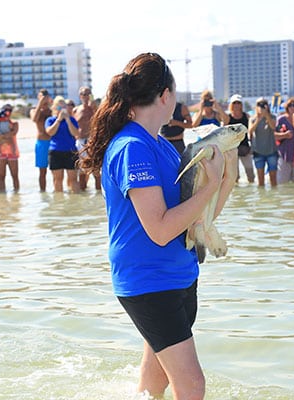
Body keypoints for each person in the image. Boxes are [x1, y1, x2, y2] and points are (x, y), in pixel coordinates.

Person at [79, 52, 234, 400]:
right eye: (175, 95)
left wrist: (223, 179)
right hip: (148, 281)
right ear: (165, 96)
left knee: (156, 381)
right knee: (192, 385)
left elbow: (196, 219)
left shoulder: (163, 146)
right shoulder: (132, 147)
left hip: (180, 275)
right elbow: (161, 229)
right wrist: (208, 187)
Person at [45, 96, 80, 193]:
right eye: (59, 108)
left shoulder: (72, 120)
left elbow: (75, 133)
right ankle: (59, 204)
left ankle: (76, 203)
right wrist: (59, 120)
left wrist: (68, 120)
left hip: (70, 151)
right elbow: (50, 132)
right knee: (57, 179)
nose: (62, 110)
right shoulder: (50, 120)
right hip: (56, 151)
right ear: (55, 108)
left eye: (63, 107)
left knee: (73, 179)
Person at [73, 86, 100, 191]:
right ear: (80, 96)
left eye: (88, 94)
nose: (86, 96)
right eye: (84, 94)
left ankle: (99, 192)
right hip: (80, 141)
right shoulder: (76, 110)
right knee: (82, 169)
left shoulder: (94, 109)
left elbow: (99, 119)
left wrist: (94, 108)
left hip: (91, 140)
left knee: (96, 169)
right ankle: (83, 191)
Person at [249, 97, 278, 186]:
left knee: (273, 179)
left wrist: (266, 116)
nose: (261, 107)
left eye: (263, 104)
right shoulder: (252, 119)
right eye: (259, 104)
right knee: (260, 180)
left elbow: (273, 127)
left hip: (271, 151)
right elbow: (250, 131)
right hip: (258, 151)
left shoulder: (272, 117)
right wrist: (258, 119)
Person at [0, 104, 20, 192]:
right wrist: (3, 137)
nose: (8, 112)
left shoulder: (14, 123)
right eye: (6, 110)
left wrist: (1, 138)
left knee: (14, 175)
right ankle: (1, 196)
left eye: (10, 110)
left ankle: (16, 196)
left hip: (12, 151)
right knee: (0, 175)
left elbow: (12, 133)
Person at [227, 94, 255, 183]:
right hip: (232, 148)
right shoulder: (228, 117)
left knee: (250, 175)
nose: (236, 105)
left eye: (238, 103)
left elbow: (252, 131)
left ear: (241, 104)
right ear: (231, 104)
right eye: (234, 103)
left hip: (245, 147)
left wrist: (252, 146)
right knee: (235, 177)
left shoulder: (246, 116)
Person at [30, 88, 52, 192]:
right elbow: (34, 119)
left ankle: (56, 192)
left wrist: (50, 103)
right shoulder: (34, 110)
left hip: (52, 143)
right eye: (41, 97)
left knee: (56, 170)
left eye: (45, 97)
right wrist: (40, 103)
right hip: (41, 142)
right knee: (42, 171)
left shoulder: (51, 111)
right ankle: (42, 192)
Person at [275, 97, 294, 184]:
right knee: (282, 183)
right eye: (290, 105)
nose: (293, 107)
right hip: (284, 154)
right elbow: (274, 135)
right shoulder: (281, 120)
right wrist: (284, 135)